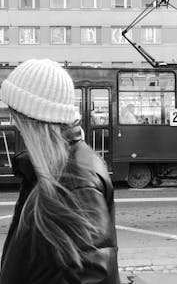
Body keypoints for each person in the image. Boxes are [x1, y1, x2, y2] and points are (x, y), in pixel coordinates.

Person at [0, 59, 120, 284]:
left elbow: (92, 278)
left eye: (14, 114)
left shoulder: (75, 182)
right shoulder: (51, 169)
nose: (13, 123)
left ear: (33, 118)